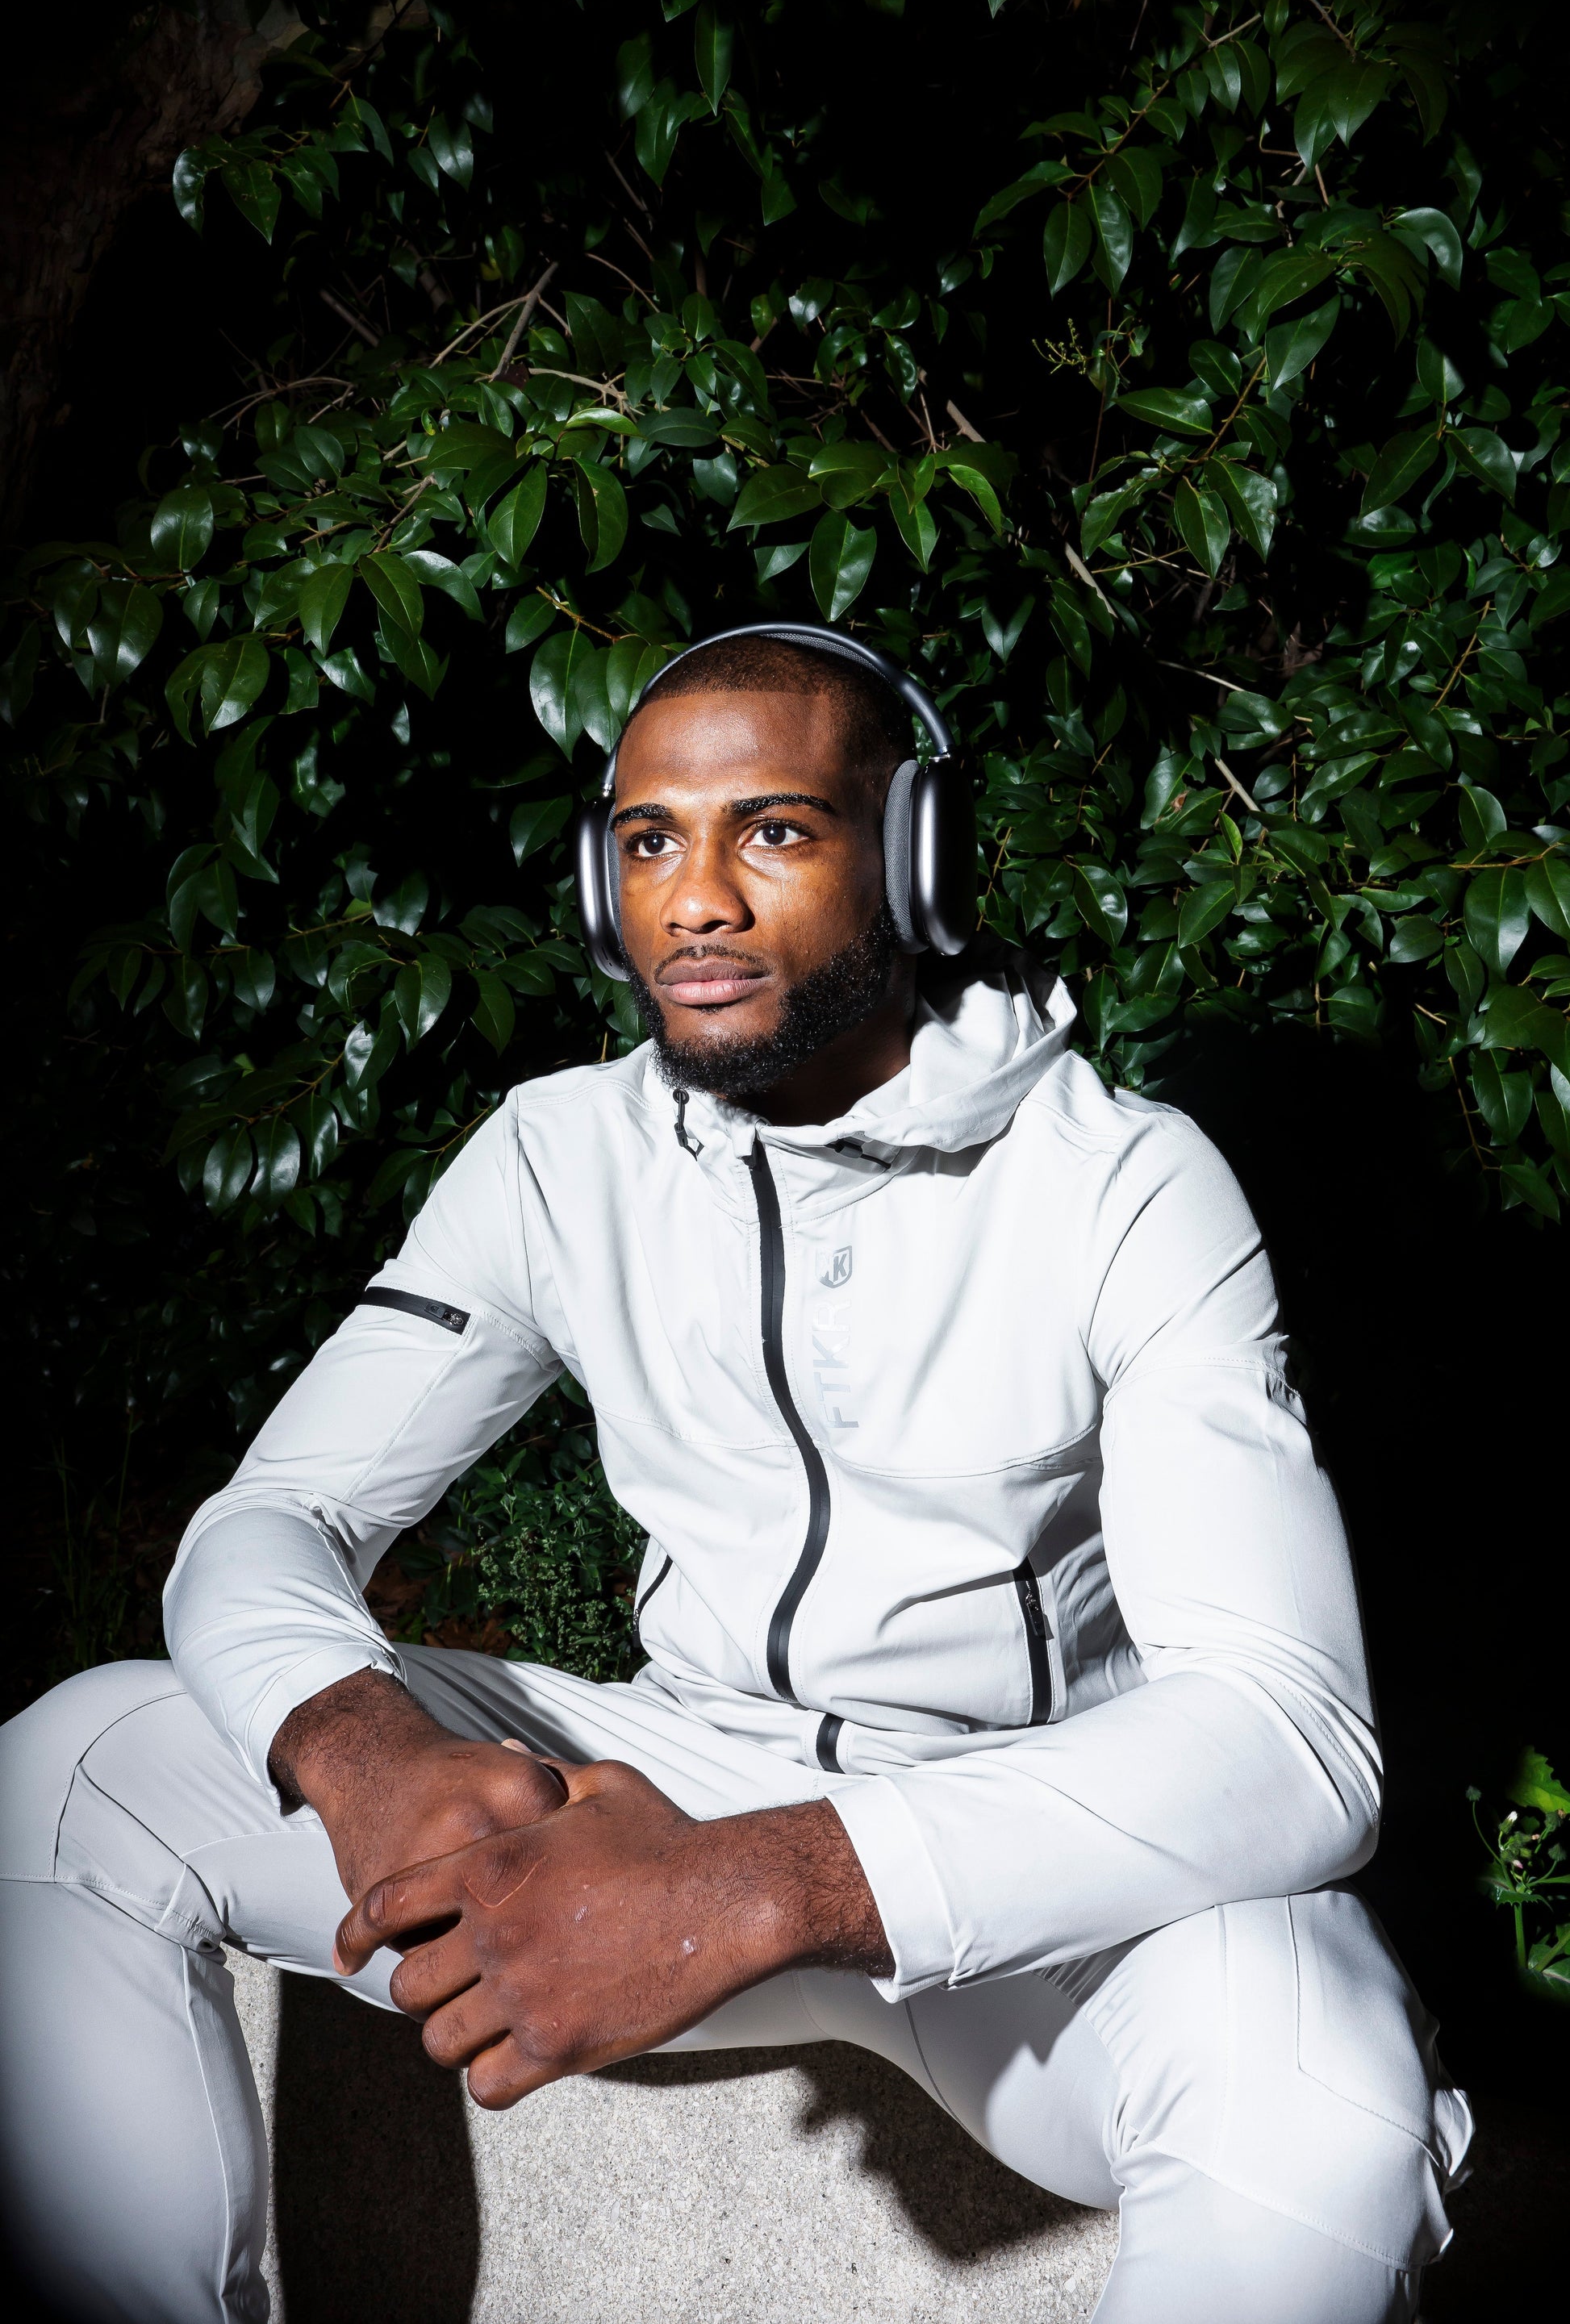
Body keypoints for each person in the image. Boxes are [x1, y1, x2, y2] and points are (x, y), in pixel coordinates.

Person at [0, 630, 1469, 2322]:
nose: (692, 899)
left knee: (1317, 2090)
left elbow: (1288, 1739)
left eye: (771, 830)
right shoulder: (559, 1152)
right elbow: (274, 1517)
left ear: (913, 858)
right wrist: (361, 1747)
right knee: (75, 1769)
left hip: (1030, 1862)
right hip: (668, 1776)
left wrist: (757, 1883)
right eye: (647, 841)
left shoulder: (1125, 1183)